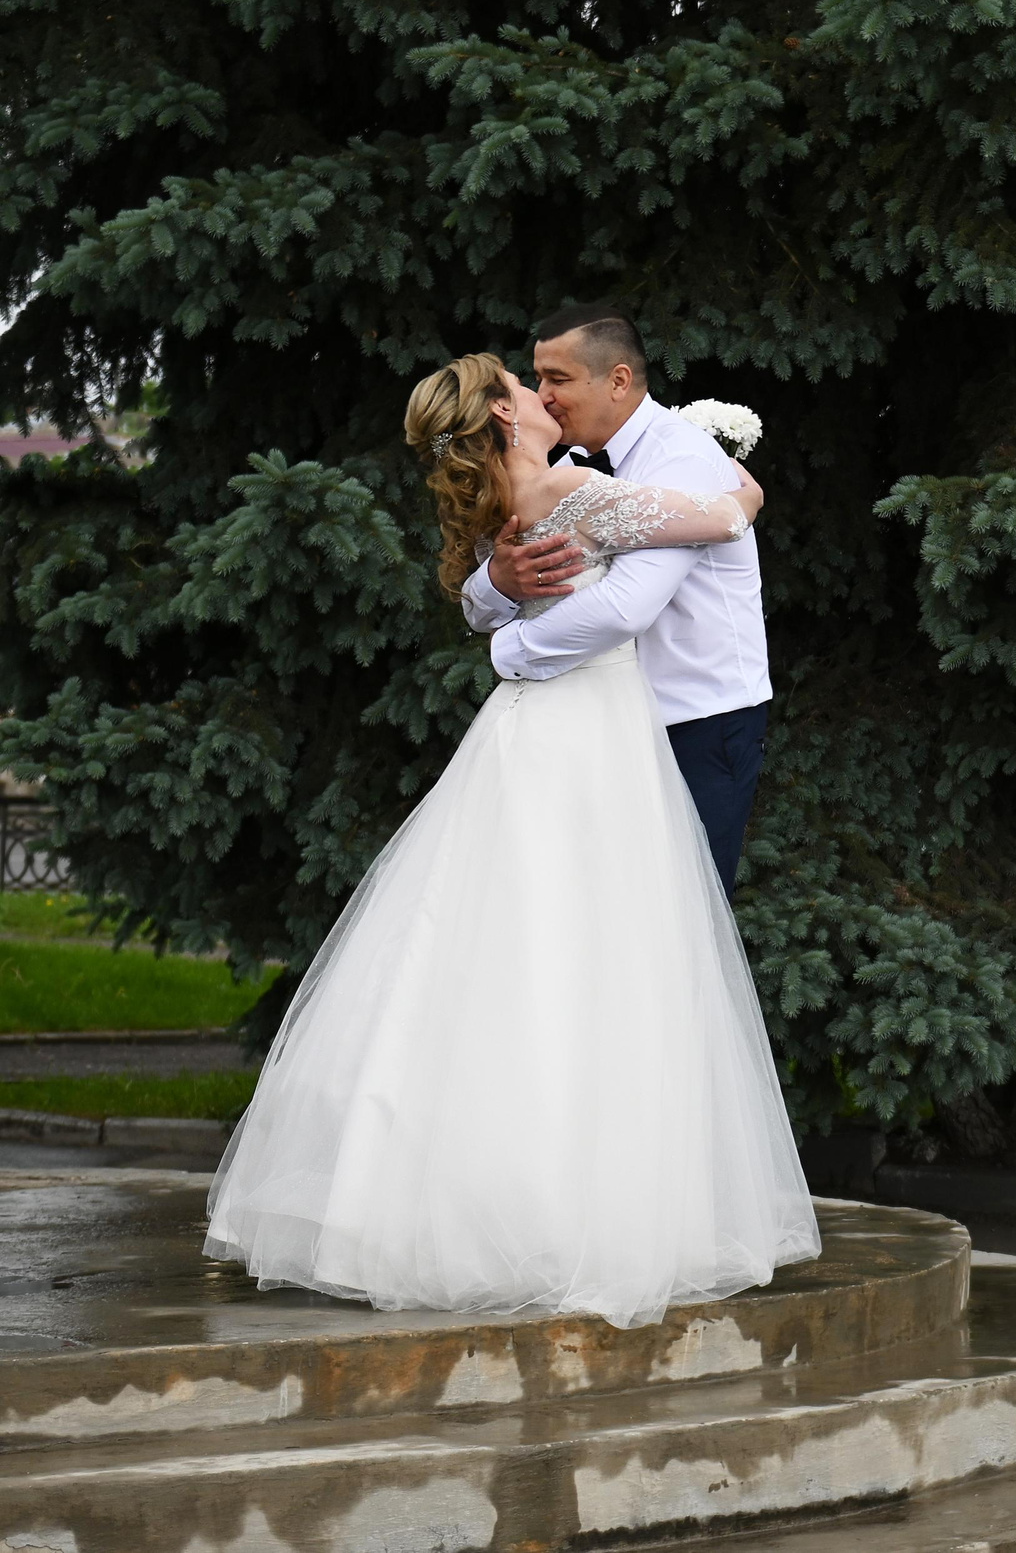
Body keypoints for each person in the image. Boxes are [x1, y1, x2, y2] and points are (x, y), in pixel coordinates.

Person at [203, 351, 820, 1329]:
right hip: (588, 736)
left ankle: (435, 1204)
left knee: (490, 951)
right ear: (503, 410)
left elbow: (493, 591)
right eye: (528, 387)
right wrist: (725, 468)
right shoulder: (571, 489)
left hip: (537, 732)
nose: (546, 396)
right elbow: (723, 514)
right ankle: (573, 1210)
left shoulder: (510, 508)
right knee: (587, 954)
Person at [465, 304, 771, 892]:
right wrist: (500, 582)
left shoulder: (680, 458)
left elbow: (628, 604)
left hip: (696, 722)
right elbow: (478, 599)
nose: (542, 394)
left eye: (557, 379)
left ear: (619, 380)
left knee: (682, 912)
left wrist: (511, 653)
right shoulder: (565, 469)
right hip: (601, 723)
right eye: (536, 379)